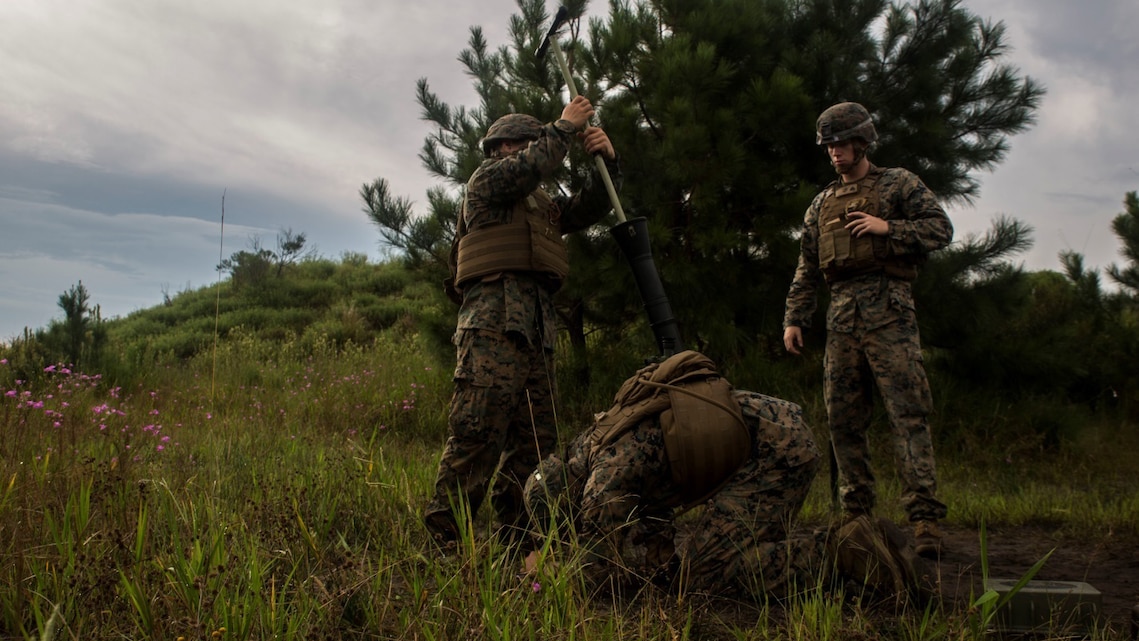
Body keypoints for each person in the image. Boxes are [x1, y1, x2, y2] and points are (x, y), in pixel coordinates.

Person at [522, 351, 931, 604]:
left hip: (774, 455)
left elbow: (591, 578)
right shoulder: (599, 440)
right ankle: (828, 555)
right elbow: (652, 516)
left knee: (709, 576)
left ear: (567, 500)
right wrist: (661, 569)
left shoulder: (602, 481)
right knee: (704, 563)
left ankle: (849, 551)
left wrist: (548, 571)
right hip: (773, 434)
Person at [424, 95, 620, 549]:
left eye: (530, 143)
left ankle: (519, 545)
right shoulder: (488, 183)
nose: (524, 151)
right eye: (520, 144)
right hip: (490, 325)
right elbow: (527, 167)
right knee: (476, 437)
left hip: (536, 332)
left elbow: (590, 207)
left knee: (535, 447)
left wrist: (607, 162)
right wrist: (565, 128)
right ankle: (444, 547)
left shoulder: (541, 204)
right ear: (501, 147)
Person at [782, 102, 953, 558]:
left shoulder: (898, 184)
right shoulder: (821, 204)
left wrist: (887, 228)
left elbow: (940, 229)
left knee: (908, 417)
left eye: (840, 144)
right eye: (828, 147)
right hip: (842, 319)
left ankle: (925, 523)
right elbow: (807, 264)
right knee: (842, 422)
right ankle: (856, 520)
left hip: (890, 314)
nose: (834, 153)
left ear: (862, 142)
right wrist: (795, 318)